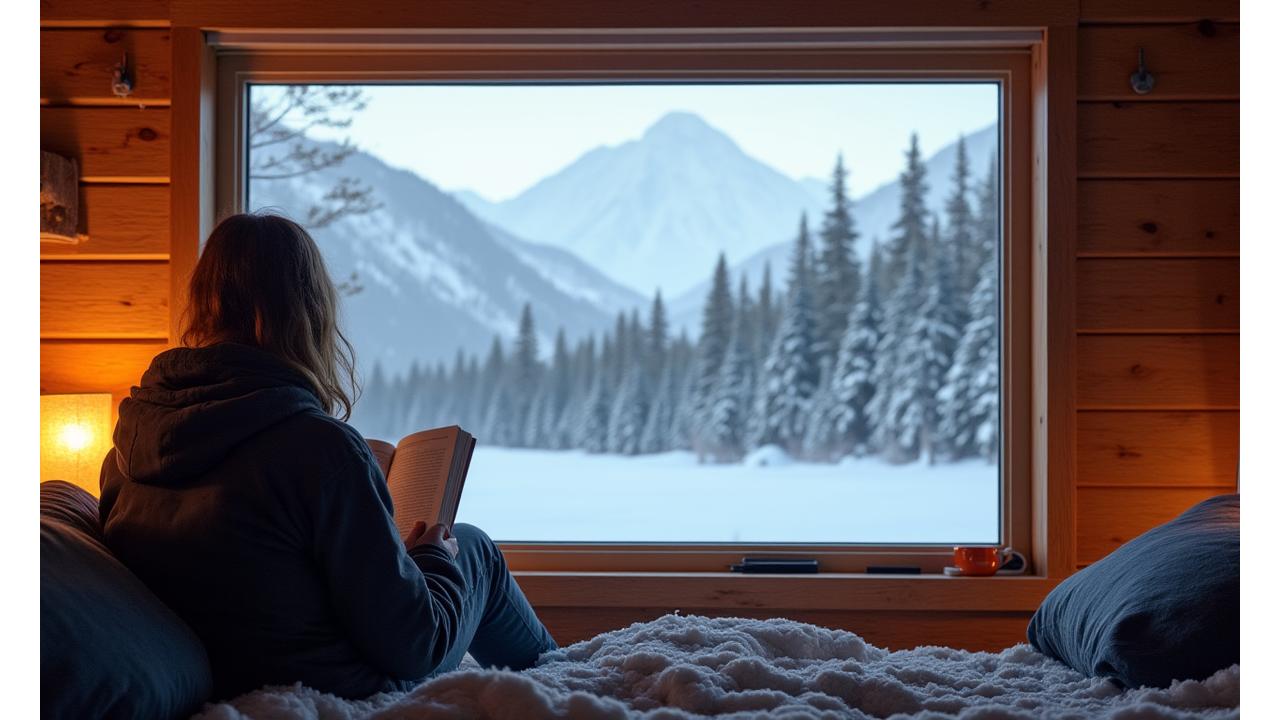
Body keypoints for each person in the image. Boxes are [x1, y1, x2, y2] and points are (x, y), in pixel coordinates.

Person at [98, 212, 557, 700]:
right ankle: (561, 682)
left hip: (229, 673)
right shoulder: (317, 450)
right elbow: (415, 647)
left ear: (201, 306)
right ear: (308, 313)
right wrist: (433, 559)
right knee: (472, 547)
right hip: (333, 684)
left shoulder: (127, 450)